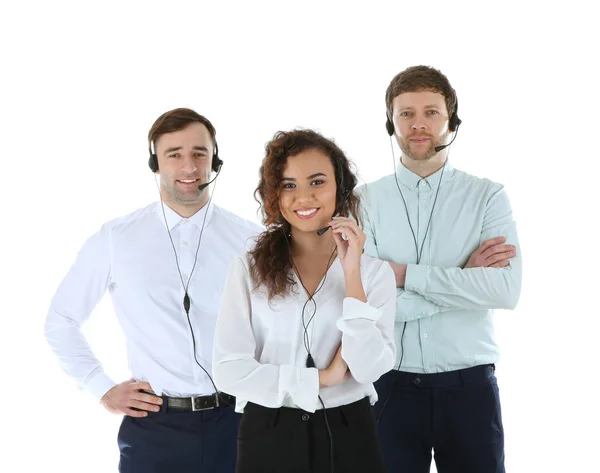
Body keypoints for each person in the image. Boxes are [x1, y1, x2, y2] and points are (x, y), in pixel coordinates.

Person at [45, 108, 261, 473]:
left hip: (240, 421)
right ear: (155, 164)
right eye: (174, 154)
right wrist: (101, 387)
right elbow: (60, 321)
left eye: (199, 153)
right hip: (154, 428)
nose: (189, 167)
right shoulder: (117, 238)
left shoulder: (251, 240)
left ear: (215, 160)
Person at [360, 65, 522, 473]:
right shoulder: (364, 201)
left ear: (452, 120)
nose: (418, 124)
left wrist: (403, 274)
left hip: (470, 387)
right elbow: (369, 305)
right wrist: (464, 277)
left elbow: (504, 291)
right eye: (406, 113)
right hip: (389, 385)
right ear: (389, 122)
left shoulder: (487, 197)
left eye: (431, 112)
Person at [212, 129, 396, 473]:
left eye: (317, 182)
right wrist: (321, 379)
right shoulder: (248, 269)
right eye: (289, 185)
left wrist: (352, 272)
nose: (303, 197)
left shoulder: (374, 274)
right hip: (268, 430)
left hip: (349, 430)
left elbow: (369, 368)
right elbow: (228, 371)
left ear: (340, 189)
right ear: (274, 194)